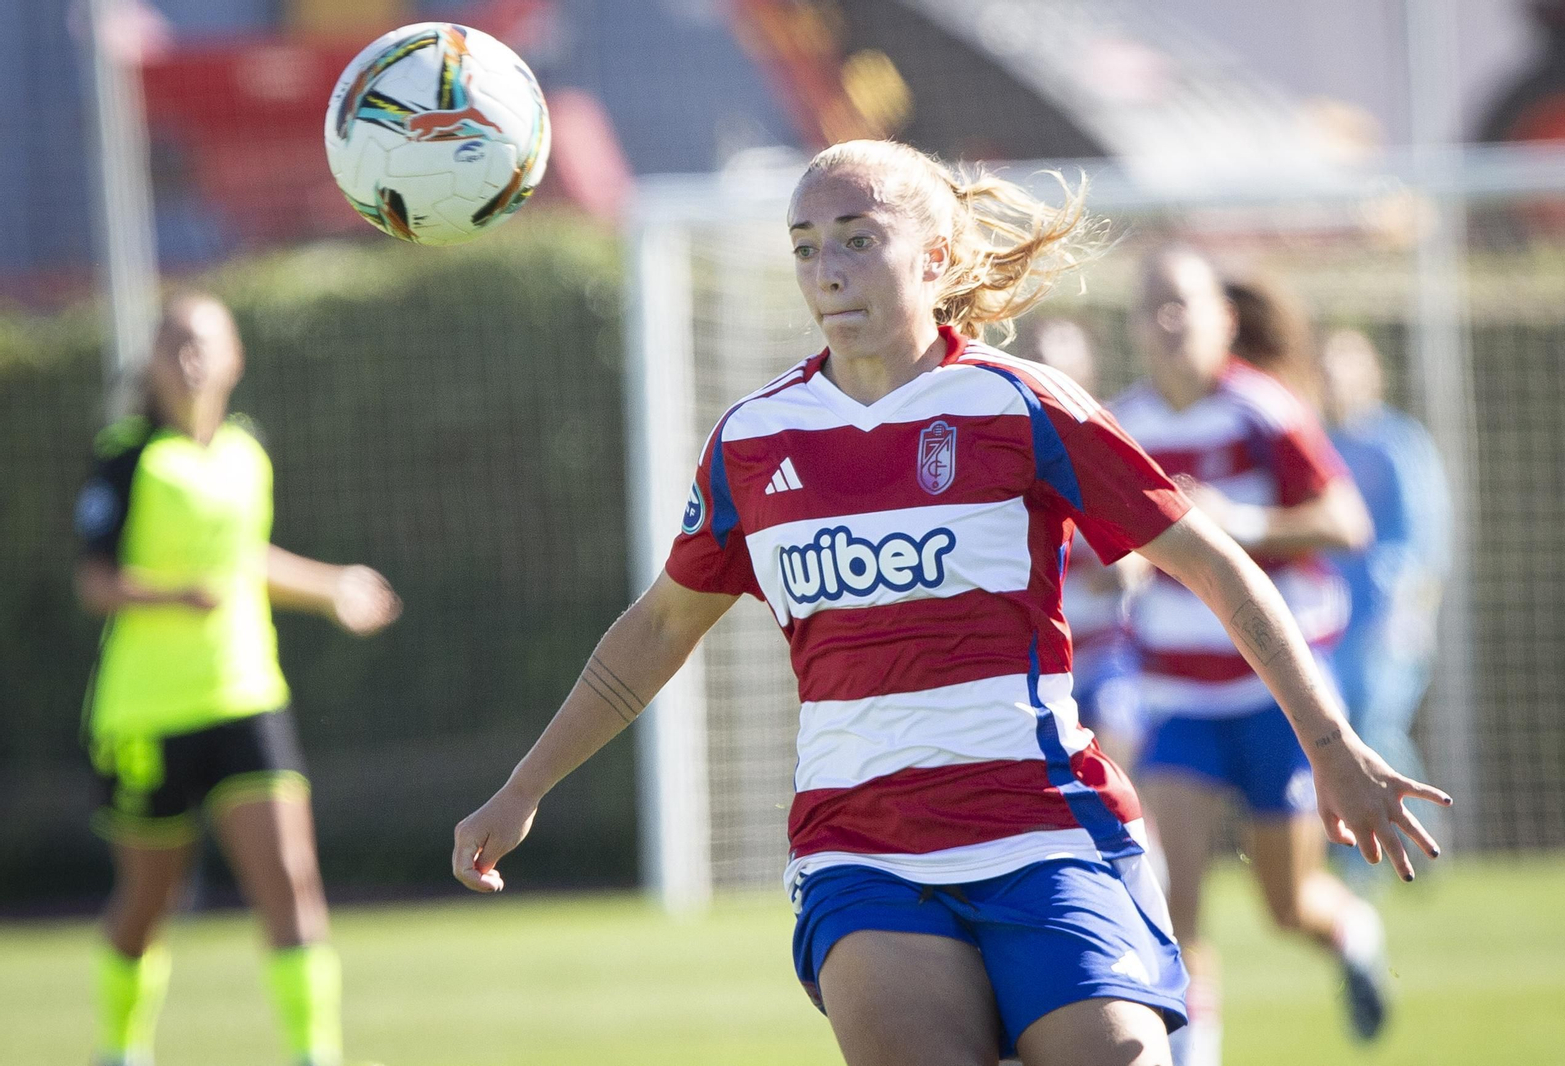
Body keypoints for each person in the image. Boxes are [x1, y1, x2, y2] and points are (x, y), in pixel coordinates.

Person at [452, 143, 1449, 1066]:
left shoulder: (1024, 406)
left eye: (856, 240)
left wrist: (1331, 744)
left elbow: (1216, 565)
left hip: (1044, 830)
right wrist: (523, 786)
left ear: (934, 257)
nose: (826, 269)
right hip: (864, 848)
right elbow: (658, 629)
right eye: (805, 248)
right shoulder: (754, 443)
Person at [74, 294, 402, 1066]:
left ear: (234, 359)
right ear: (153, 360)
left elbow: (245, 557)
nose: (188, 356)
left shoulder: (245, 453)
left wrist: (331, 588)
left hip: (247, 693)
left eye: (202, 343)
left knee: (290, 878)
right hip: (147, 711)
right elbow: (94, 583)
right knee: (148, 901)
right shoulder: (127, 455)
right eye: (173, 342)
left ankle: (314, 1053)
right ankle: (120, 1049)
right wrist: (170, 597)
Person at [1110, 254, 1395, 1066]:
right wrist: (1117, 563)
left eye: (1184, 306)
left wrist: (1242, 522)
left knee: (1286, 902)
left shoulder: (1260, 410)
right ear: (1133, 325)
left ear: (1223, 321)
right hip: (1179, 702)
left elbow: (1346, 523)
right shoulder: (1118, 426)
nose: (1168, 322)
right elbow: (1103, 550)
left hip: (1275, 699)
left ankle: (1349, 931)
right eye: (1153, 307)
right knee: (1173, 906)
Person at [1319, 329, 1452, 886]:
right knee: (1346, 729)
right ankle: (1394, 843)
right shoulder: (1318, 442)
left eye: (1343, 365)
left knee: (1376, 725)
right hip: (1332, 627)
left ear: (1369, 372)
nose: (1332, 378)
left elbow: (1427, 540)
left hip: (1388, 625)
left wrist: (1411, 616)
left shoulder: (1399, 442)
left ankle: (1379, 853)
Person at [1022, 318, 1146, 772]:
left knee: (1114, 742)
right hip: (1032, 659)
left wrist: (1124, 571)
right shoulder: (1006, 447)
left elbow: (1145, 551)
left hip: (1104, 652)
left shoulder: (1113, 439)